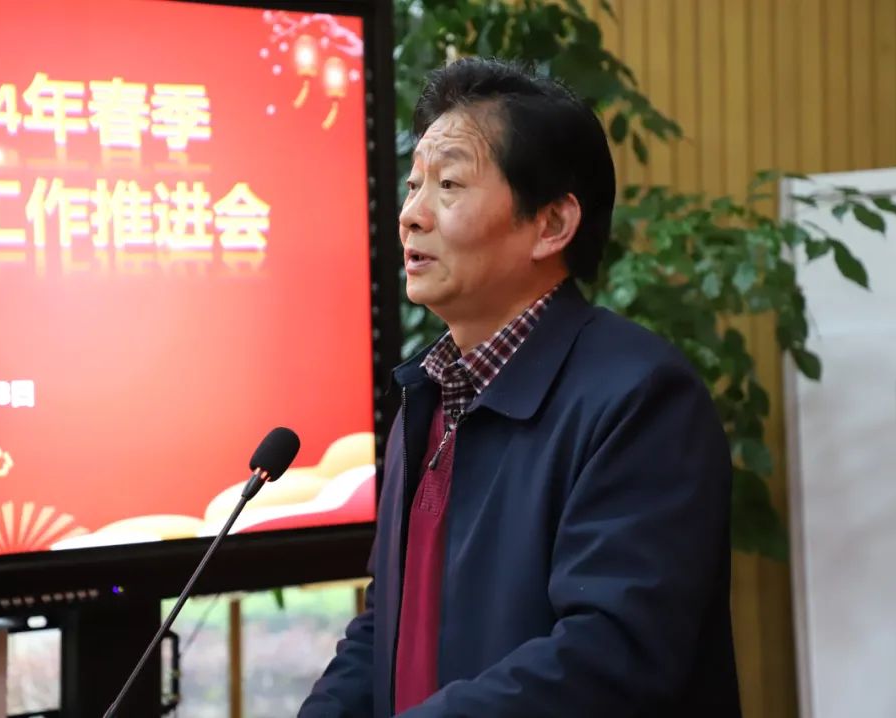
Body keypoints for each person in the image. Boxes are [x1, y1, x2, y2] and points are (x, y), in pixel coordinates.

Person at [300, 57, 741, 717]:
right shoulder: (428, 392)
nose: (411, 214)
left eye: (449, 184)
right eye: (414, 184)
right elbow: (388, 622)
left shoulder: (641, 398)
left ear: (551, 225)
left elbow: (611, 654)